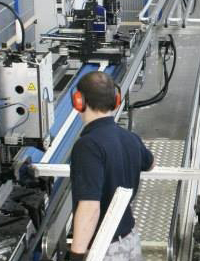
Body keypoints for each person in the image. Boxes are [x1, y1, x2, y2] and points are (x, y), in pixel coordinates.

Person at [69, 71, 154, 261]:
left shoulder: (88, 146)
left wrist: (76, 255)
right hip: (130, 241)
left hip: (103, 248)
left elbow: (90, 207)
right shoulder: (129, 138)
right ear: (116, 100)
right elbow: (150, 163)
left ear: (79, 101)